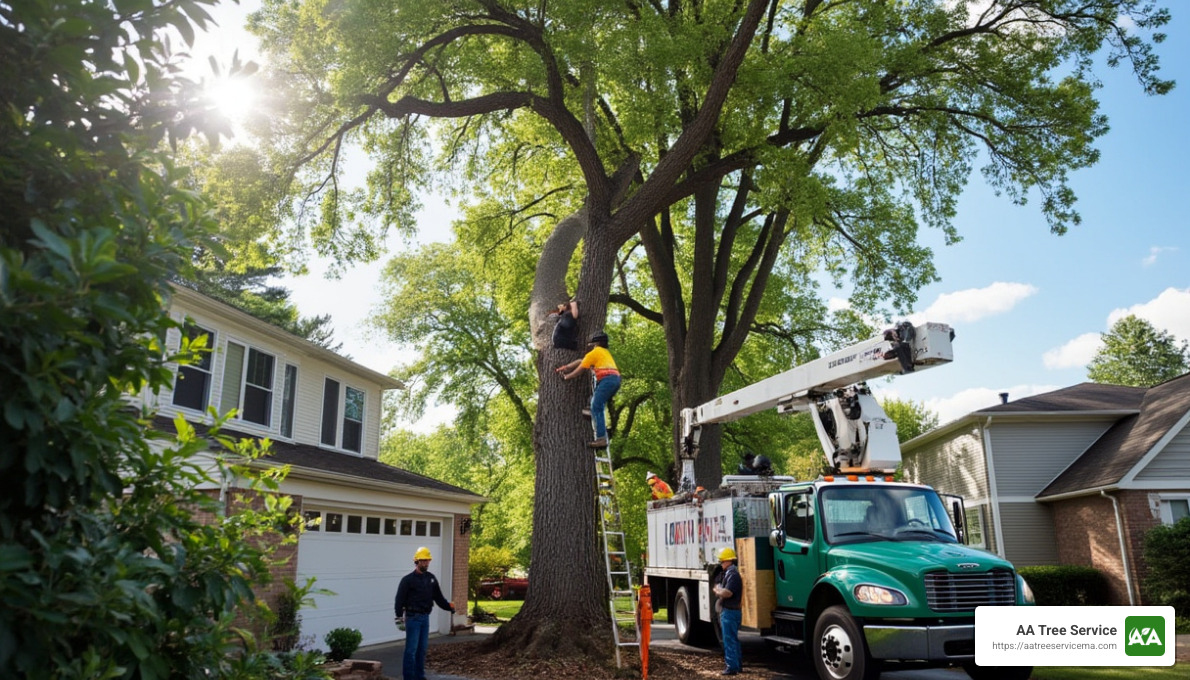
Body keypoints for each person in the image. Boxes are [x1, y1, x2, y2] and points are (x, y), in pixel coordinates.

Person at [394, 546, 456, 680]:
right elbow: (399, 599)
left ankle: (420, 677)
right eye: (423, 561)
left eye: (427, 561)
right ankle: (409, 678)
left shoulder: (431, 579)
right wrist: (399, 617)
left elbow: (438, 598)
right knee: (411, 651)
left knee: (421, 650)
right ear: (416, 561)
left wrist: (449, 607)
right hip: (413, 618)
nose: (426, 563)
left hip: (425, 618)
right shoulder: (408, 580)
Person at [555, 330, 620, 448]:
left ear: (595, 343)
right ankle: (591, 410)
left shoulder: (594, 353)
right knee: (597, 403)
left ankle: (601, 438)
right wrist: (567, 367)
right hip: (614, 380)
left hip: (607, 380)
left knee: (597, 405)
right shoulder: (603, 352)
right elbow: (581, 362)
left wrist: (566, 377)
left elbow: (579, 370)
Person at [712, 547, 743, 676]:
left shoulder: (733, 575)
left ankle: (731, 667)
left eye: (722, 561)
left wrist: (718, 591)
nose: (721, 564)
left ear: (728, 561)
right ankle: (737, 665)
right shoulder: (730, 573)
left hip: (730, 612)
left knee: (729, 640)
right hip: (732, 611)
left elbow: (728, 592)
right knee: (733, 639)